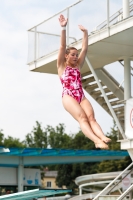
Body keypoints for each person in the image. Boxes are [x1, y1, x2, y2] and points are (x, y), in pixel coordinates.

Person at [57, 14, 111, 149]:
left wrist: (86, 33)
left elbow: (85, 49)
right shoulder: (62, 66)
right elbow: (62, 46)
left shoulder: (78, 65)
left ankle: (102, 137)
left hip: (81, 95)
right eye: (73, 55)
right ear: (66, 56)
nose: (76, 57)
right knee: (82, 117)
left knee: (91, 117)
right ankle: (96, 141)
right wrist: (63, 28)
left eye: (76, 55)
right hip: (68, 96)